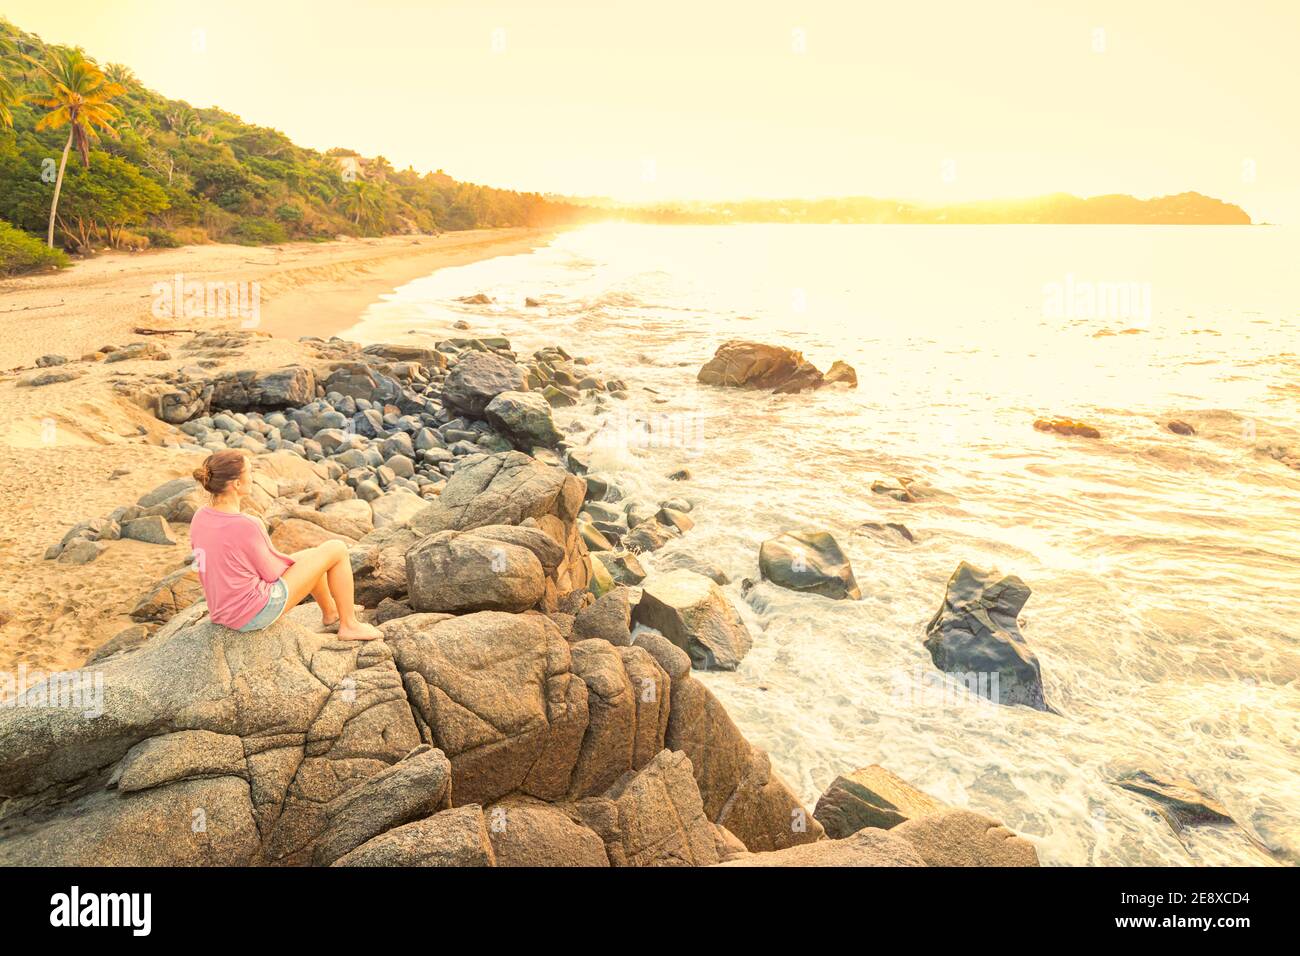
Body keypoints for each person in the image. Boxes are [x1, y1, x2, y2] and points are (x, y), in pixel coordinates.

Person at [188, 449, 381, 640]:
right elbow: (272, 573)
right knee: (336, 549)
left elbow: (201, 565)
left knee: (314, 556)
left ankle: (331, 612)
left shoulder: (200, 516)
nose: (253, 477)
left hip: (222, 610)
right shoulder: (246, 524)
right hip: (252, 613)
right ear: (237, 483)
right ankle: (350, 625)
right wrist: (305, 569)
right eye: (250, 471)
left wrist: (309, 564)